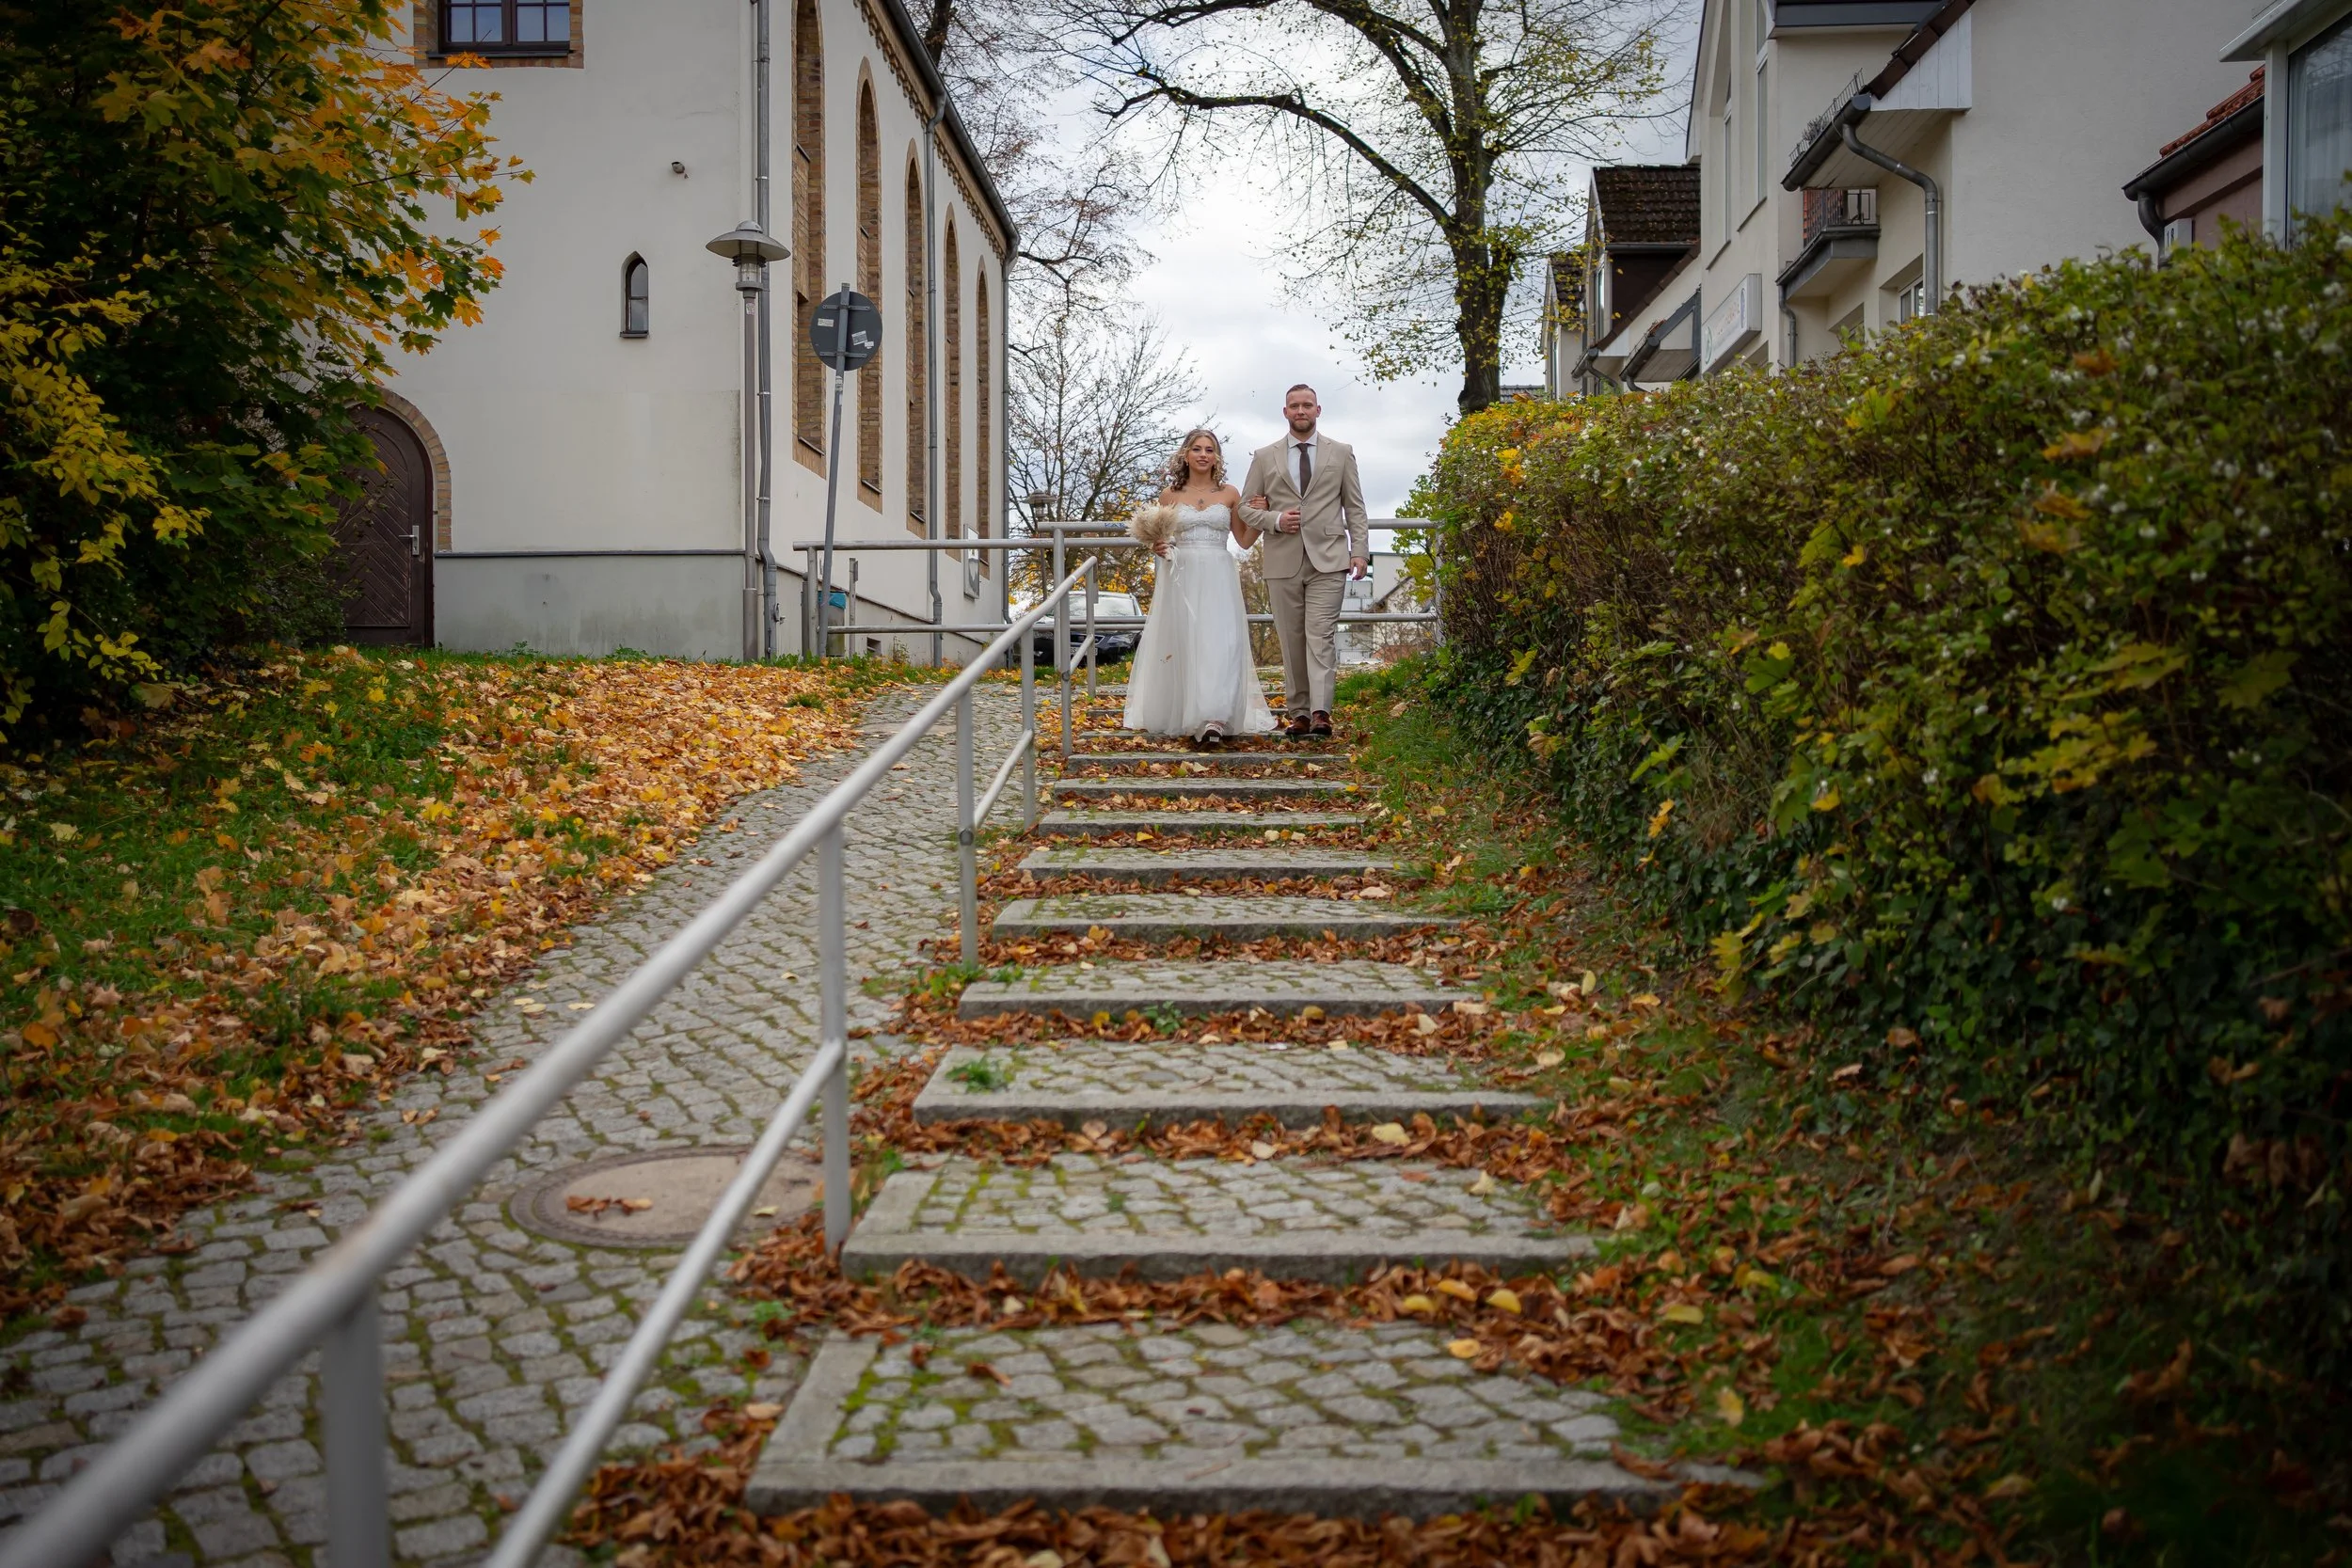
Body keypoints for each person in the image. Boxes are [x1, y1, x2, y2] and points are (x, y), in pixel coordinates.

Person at [1121, 429, 1279, 745]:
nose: (1204, 454)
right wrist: (1159, 547)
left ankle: (1215, 718)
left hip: (1219, 573)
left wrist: (1261, 516)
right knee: (1188, 641)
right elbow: (1162, 539)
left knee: (1221, 643)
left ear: (1216, 457)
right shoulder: (1169, 496)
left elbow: (1245, 541)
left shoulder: (1230, 494)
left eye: (1210, 449)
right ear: (1186, 455)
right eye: (1197, 449)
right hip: (1183, 574)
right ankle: (1188, 712)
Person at [1237, 384, 1368, 738]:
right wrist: (1275, 520)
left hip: (1330, 559)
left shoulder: (1341, 453)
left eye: (1307, 405)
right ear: (1285, 412)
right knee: (1291, 639)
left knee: (1320, 635)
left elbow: (1354, 506)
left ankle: (1321, 712)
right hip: (1282, 559)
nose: (1301, 411)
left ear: (1318, 409)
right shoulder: (1265, 456)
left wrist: (1360, 551)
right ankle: (1299, 714)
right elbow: (1245, 507)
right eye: (1294, 406)